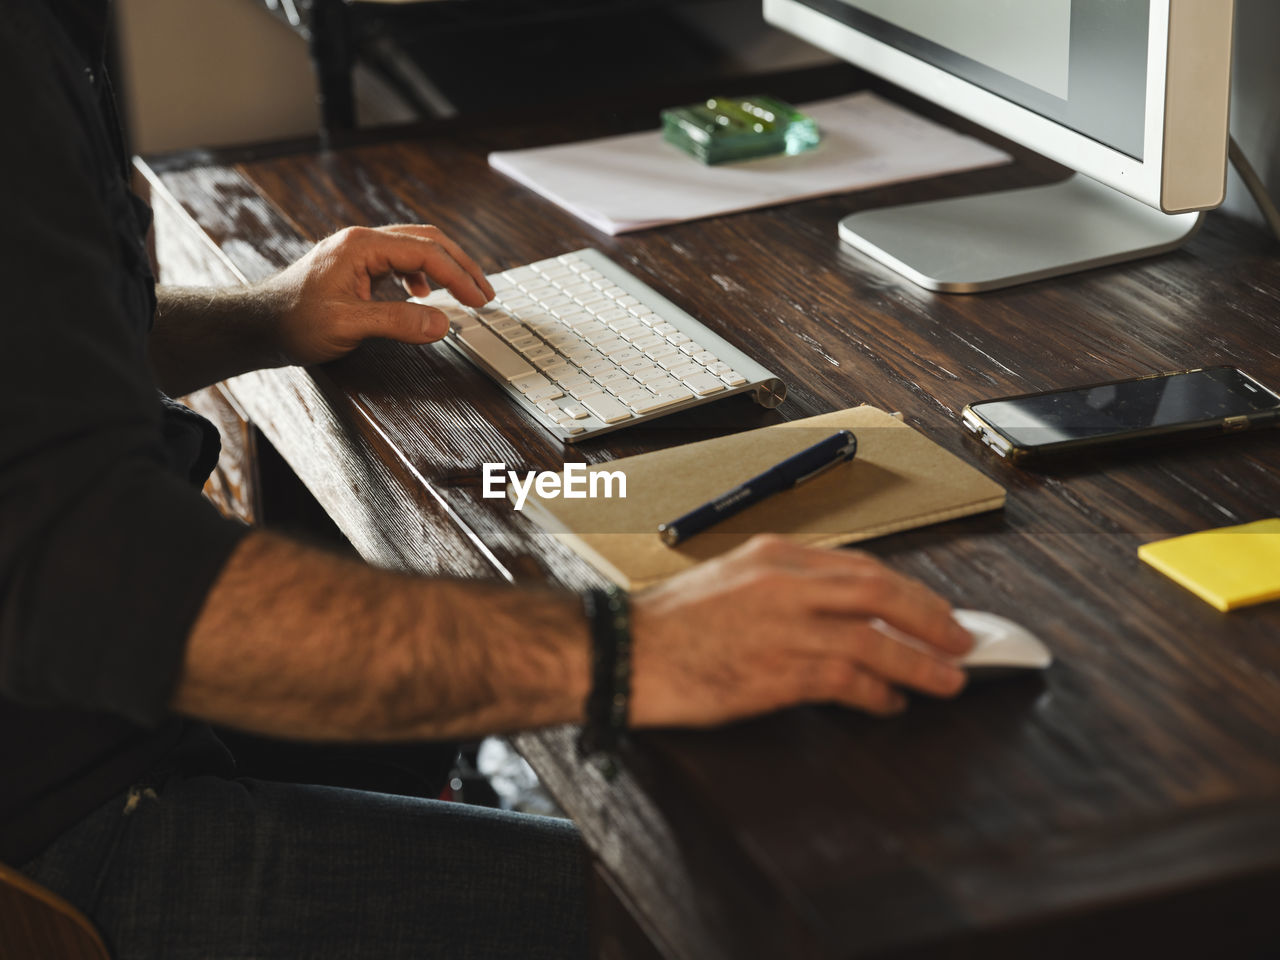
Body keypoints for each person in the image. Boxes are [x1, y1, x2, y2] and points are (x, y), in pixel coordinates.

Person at [0, 1, 974, 957]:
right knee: (729, 914)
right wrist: (635, 650)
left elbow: (43, 368)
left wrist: (269, 315)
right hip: (69, 845)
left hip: (98, 730)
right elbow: (100, 584)